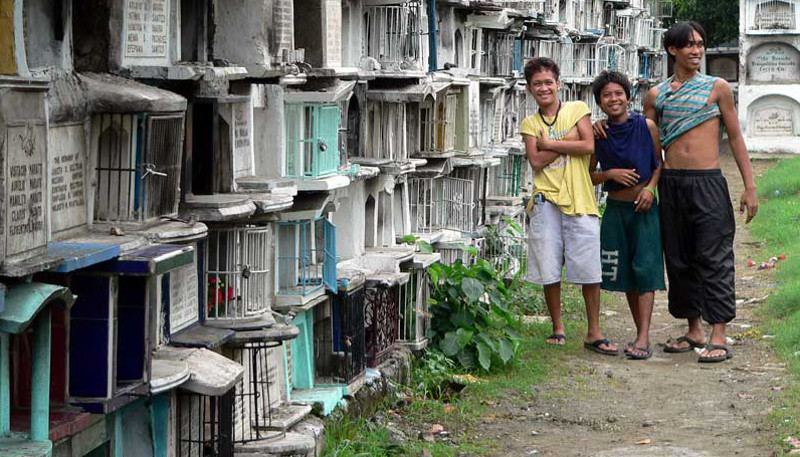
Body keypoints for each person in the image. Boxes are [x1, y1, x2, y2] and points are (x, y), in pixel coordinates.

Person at [594, 21, 758, 363]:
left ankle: (718, 333)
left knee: (714, 257)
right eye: (689, 45)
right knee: (679, 258)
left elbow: (736, 138)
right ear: (673, 50)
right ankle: (694, 328)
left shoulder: (717, 88)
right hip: (671, 184)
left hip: (708, 182)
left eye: (700, 43)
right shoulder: (658, 94)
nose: (696, 50)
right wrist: (598, 125)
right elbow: (641, 134)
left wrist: (750, 186)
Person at [521, 57, 617, 356]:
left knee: (589, 267)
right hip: (546, 201)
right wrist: (568, 140)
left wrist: (549, 143)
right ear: (529, 89)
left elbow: (588, 146)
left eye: (548, 82)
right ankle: (557, 327)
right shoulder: (530, 123)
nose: (544, 88)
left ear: (558, 84)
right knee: (549, 267)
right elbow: (535, 161)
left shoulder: (577, 109)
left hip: (579, 198)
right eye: (537, 84)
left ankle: (593, 331)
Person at [589, 71, 664, 360]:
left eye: (618, 93)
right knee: (628, 274)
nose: (613, 99)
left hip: (644, 208)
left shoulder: (646, 126)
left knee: (646, 269)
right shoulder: (599, 133)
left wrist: (650, 189)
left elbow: (658, 163)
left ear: (628, 95)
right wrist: (609, 174)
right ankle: (639, 332)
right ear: (599, 102)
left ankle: (643, 338)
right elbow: (589, 176)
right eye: (606, 95)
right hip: (617, 210)